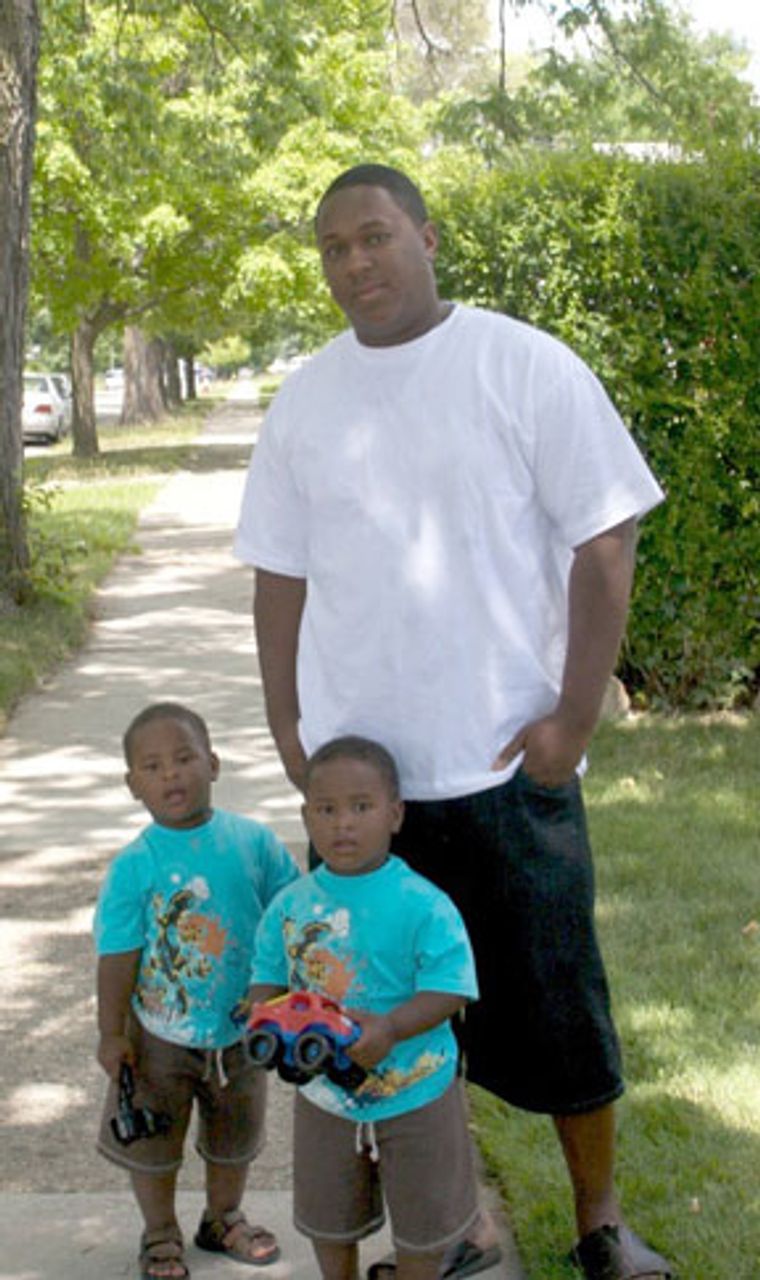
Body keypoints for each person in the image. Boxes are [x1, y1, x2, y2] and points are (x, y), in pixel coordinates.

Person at [233, 163, 672, 1280]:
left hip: (499, 764)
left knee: (559, 1006)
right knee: (390, 1018)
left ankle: (600, 1223)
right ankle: (457, 1222)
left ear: (426, 236)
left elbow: (605, 539)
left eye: (373, 236)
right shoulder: (306, 398)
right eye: (332, 247)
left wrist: (570, 720)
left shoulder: (520, 365)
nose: (354, 263)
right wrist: (288, 723)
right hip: (364, 797)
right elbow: (276, 575)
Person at [249, 734, 486, 1280]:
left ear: (395, 814)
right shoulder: (291, 906)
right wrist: (262, 1015)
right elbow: (265, 975)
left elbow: (451, 986)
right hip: (324, 1095)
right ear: (306, 818)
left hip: (417, 1089)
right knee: (328, 1215)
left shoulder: (423, 903)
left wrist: (393, 1026)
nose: (343, 824)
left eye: (361, 807)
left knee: (424, 1223)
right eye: (326, 810)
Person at [94, 702, 300, 1280]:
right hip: (158, 1035)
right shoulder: (135, 866)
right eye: (153, 766)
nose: (171, 774)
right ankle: (160, 1233)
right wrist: (112, 1032)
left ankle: (223, 1217)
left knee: (235, 1135)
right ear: (133, 785)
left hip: (242, 1031)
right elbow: (117, 956)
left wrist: (280, 998)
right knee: (154, 1144)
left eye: (184, 758)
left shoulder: (255, 843)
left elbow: (291, 916)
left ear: (213, 763)